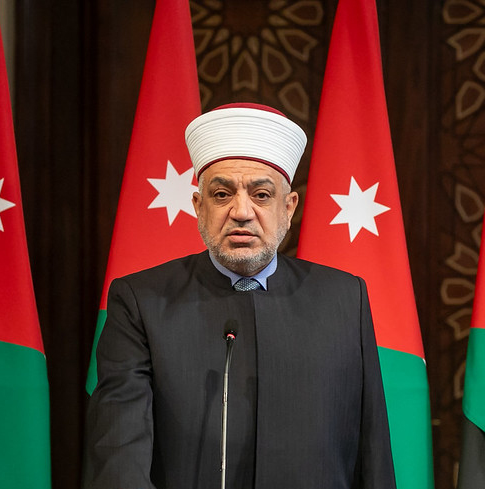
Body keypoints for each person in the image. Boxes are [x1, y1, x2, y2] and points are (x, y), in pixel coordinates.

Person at [84, 103, 396, 489]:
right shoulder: (141, 302)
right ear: (198, 206)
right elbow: (120, 456)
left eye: (261, 195)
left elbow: (373, 452)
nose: (242, 212)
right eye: (221, 194)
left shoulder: (345, 299)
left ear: (288, 207)